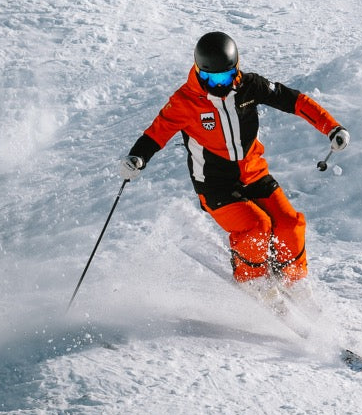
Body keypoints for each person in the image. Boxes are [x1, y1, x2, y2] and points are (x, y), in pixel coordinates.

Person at [118, 32, 349, 285]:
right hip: (215, 185)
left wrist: (332, 128)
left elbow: (292, 100)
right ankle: (253, 281)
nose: (218, 84)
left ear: (236, 68)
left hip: (254, 173)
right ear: (198, 71)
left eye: (224, 76)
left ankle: (293, 282)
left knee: (290, 226)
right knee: (257, 227)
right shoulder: (185, 101)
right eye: (209, 77)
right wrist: (137, 157)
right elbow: (156, 133)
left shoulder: (250, 87)